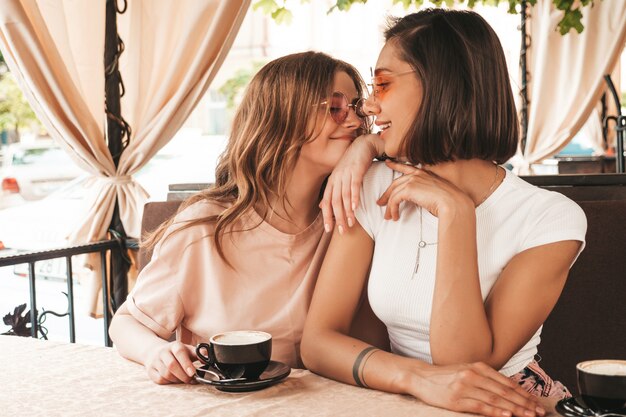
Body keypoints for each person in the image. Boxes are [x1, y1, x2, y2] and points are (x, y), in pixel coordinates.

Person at [301, 9, 587, 417]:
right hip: (404, 393)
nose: (367, 104)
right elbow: (318, 341)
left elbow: (464, 366)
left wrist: (456, 213)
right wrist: (413, 378)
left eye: (383, 84)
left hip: (506, 401)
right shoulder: (372, 186)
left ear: (443, 87)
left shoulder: (550, 218)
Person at [109, 51, 373, 385]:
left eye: (357, 108)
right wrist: (155, 353)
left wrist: (368, 147)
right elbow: (127, 322)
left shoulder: (350, 217)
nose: (354, 122)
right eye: (335, 108)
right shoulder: (204, 229)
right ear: (283, 117)